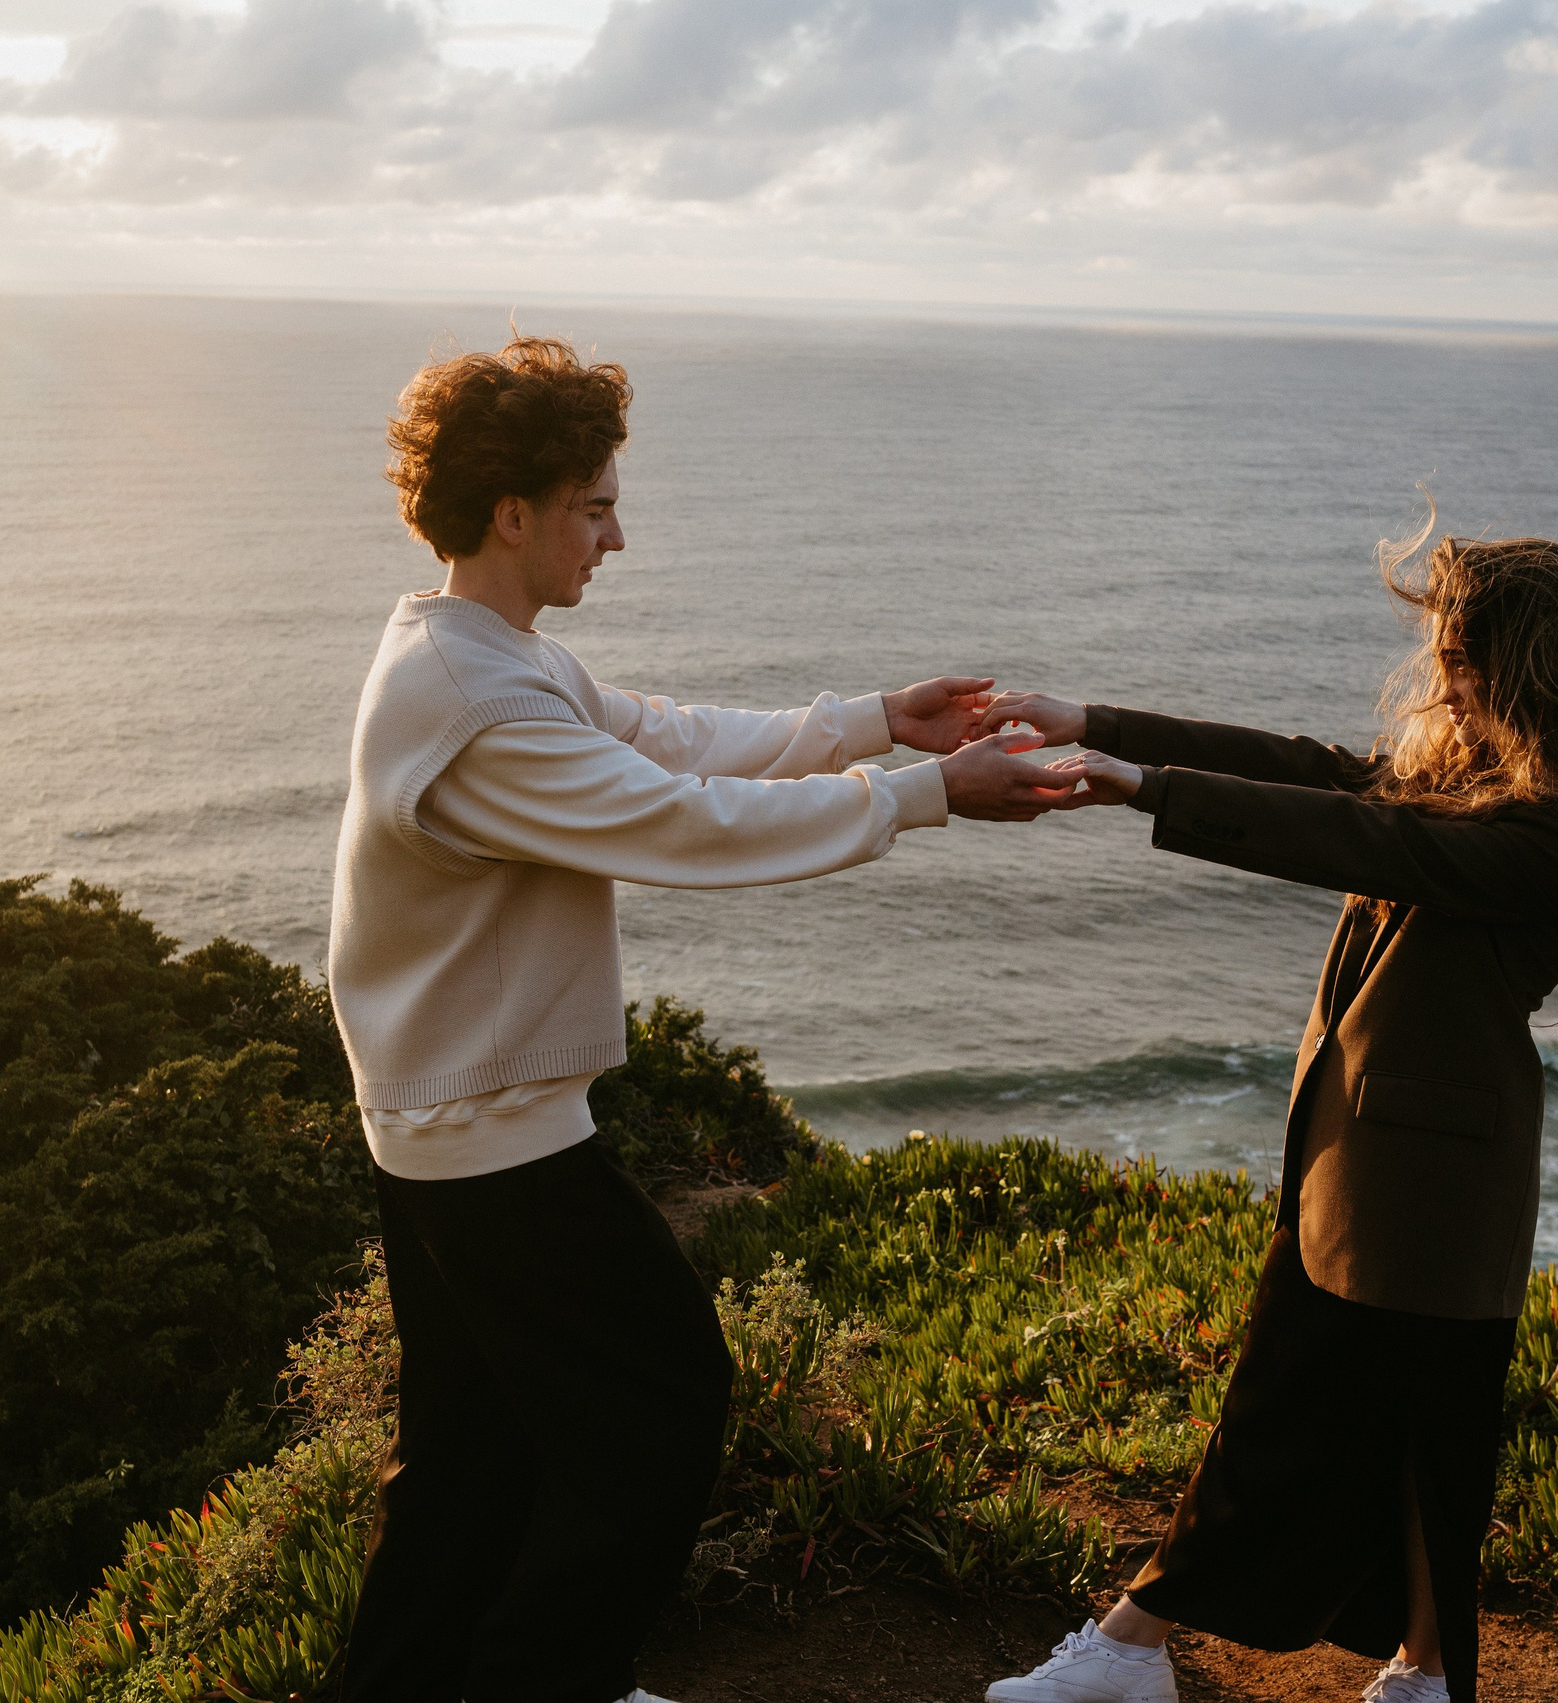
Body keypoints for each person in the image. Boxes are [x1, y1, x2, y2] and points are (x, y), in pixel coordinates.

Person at [327, 334, 1075, 1703]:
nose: (619, 532)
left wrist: (872, 722)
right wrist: (926, 794)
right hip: (489, 1135)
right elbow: (684, 820)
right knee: (663, 1405)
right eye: (595, 503)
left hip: (448, 1117)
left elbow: (663, 737)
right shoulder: (482, 702)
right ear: (515, 510)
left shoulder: (472, 648)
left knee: (469, 1460)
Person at [978, 529, 1558, 1703]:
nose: (1446, 679)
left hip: (1425, 1180)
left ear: (1532, 667)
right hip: (1373, 1158)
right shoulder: (1483, 787)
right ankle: (1425, 1673)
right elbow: (1322, 775)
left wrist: (1146, 791)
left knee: (1282, 1403)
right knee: (1424, 1439)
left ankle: (1127, 1645)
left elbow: (1369, 838)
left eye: (1465, 658)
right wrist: (1093, 722)